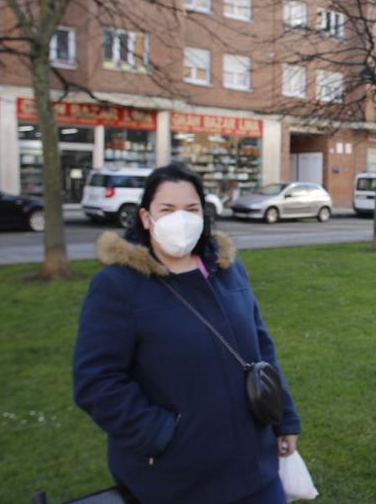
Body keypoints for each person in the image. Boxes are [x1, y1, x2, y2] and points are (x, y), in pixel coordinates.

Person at [73, 164, 301, 504]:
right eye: (167, 209)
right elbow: (97, 381)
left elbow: (261, 349)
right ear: (146, 218)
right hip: (178, 479)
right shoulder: (118, 285)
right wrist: (160, 432)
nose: (181, 218)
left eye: (192, 209)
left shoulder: (227, 270)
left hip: (254, 466)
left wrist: (284, 417)